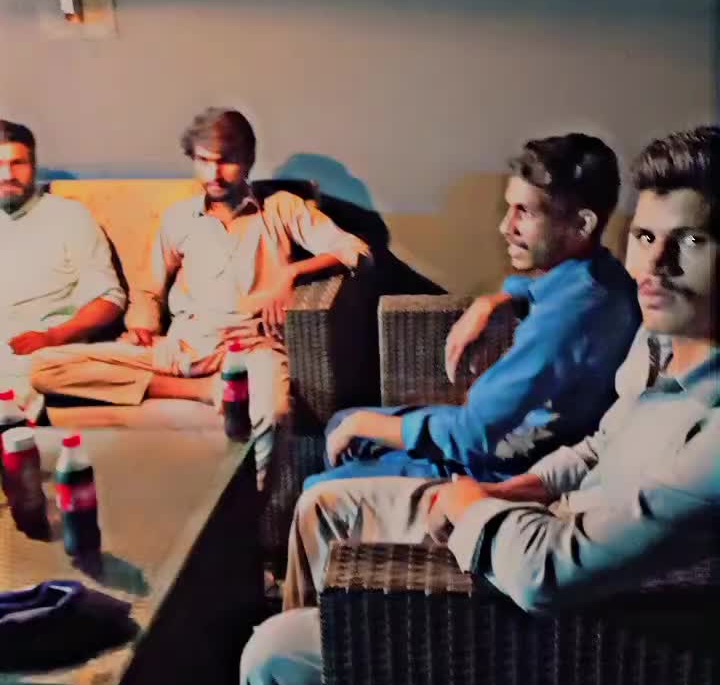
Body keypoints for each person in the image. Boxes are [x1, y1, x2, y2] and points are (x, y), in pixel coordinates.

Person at [197, 124, 720, 685]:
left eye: (691, 242)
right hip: (530, 521)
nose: (654, 263)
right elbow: (599, 446)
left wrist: (476, 505)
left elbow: (550, 575)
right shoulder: (661, 335)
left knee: (270, 655)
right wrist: (520, 485)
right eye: (646, 236)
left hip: (567, 631)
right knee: (330, 504)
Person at [287, 132, 640, 606]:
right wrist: (498, 297)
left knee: (322, 481)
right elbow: (543, 288)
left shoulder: (567, 319)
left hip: (502, 462)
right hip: (503, 439)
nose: (505, 226)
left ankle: (327, 614)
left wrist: (366, 424)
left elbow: (472, 434)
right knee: (342, 425)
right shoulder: (602, 278)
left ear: (581, 223)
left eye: (524, 212)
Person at [30, 108, 370, 483]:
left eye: (226, 161)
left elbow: (356, 250)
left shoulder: (281, 208)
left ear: (248, 160)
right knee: (45, 367)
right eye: (204, 161)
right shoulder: (178, 218)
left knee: (273, 412)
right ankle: (204, 391)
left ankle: (252, 501)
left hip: (250, 350)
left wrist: (291, 273)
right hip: (181, 349)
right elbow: (148, 289)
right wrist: (142, 325)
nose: (214, 174)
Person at [0, 119, 126, 418]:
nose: (7, 175)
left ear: (34, 165)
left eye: (18, 163)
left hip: (40, 355)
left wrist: (54, 336)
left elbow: (109, 298)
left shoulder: (68, 217)